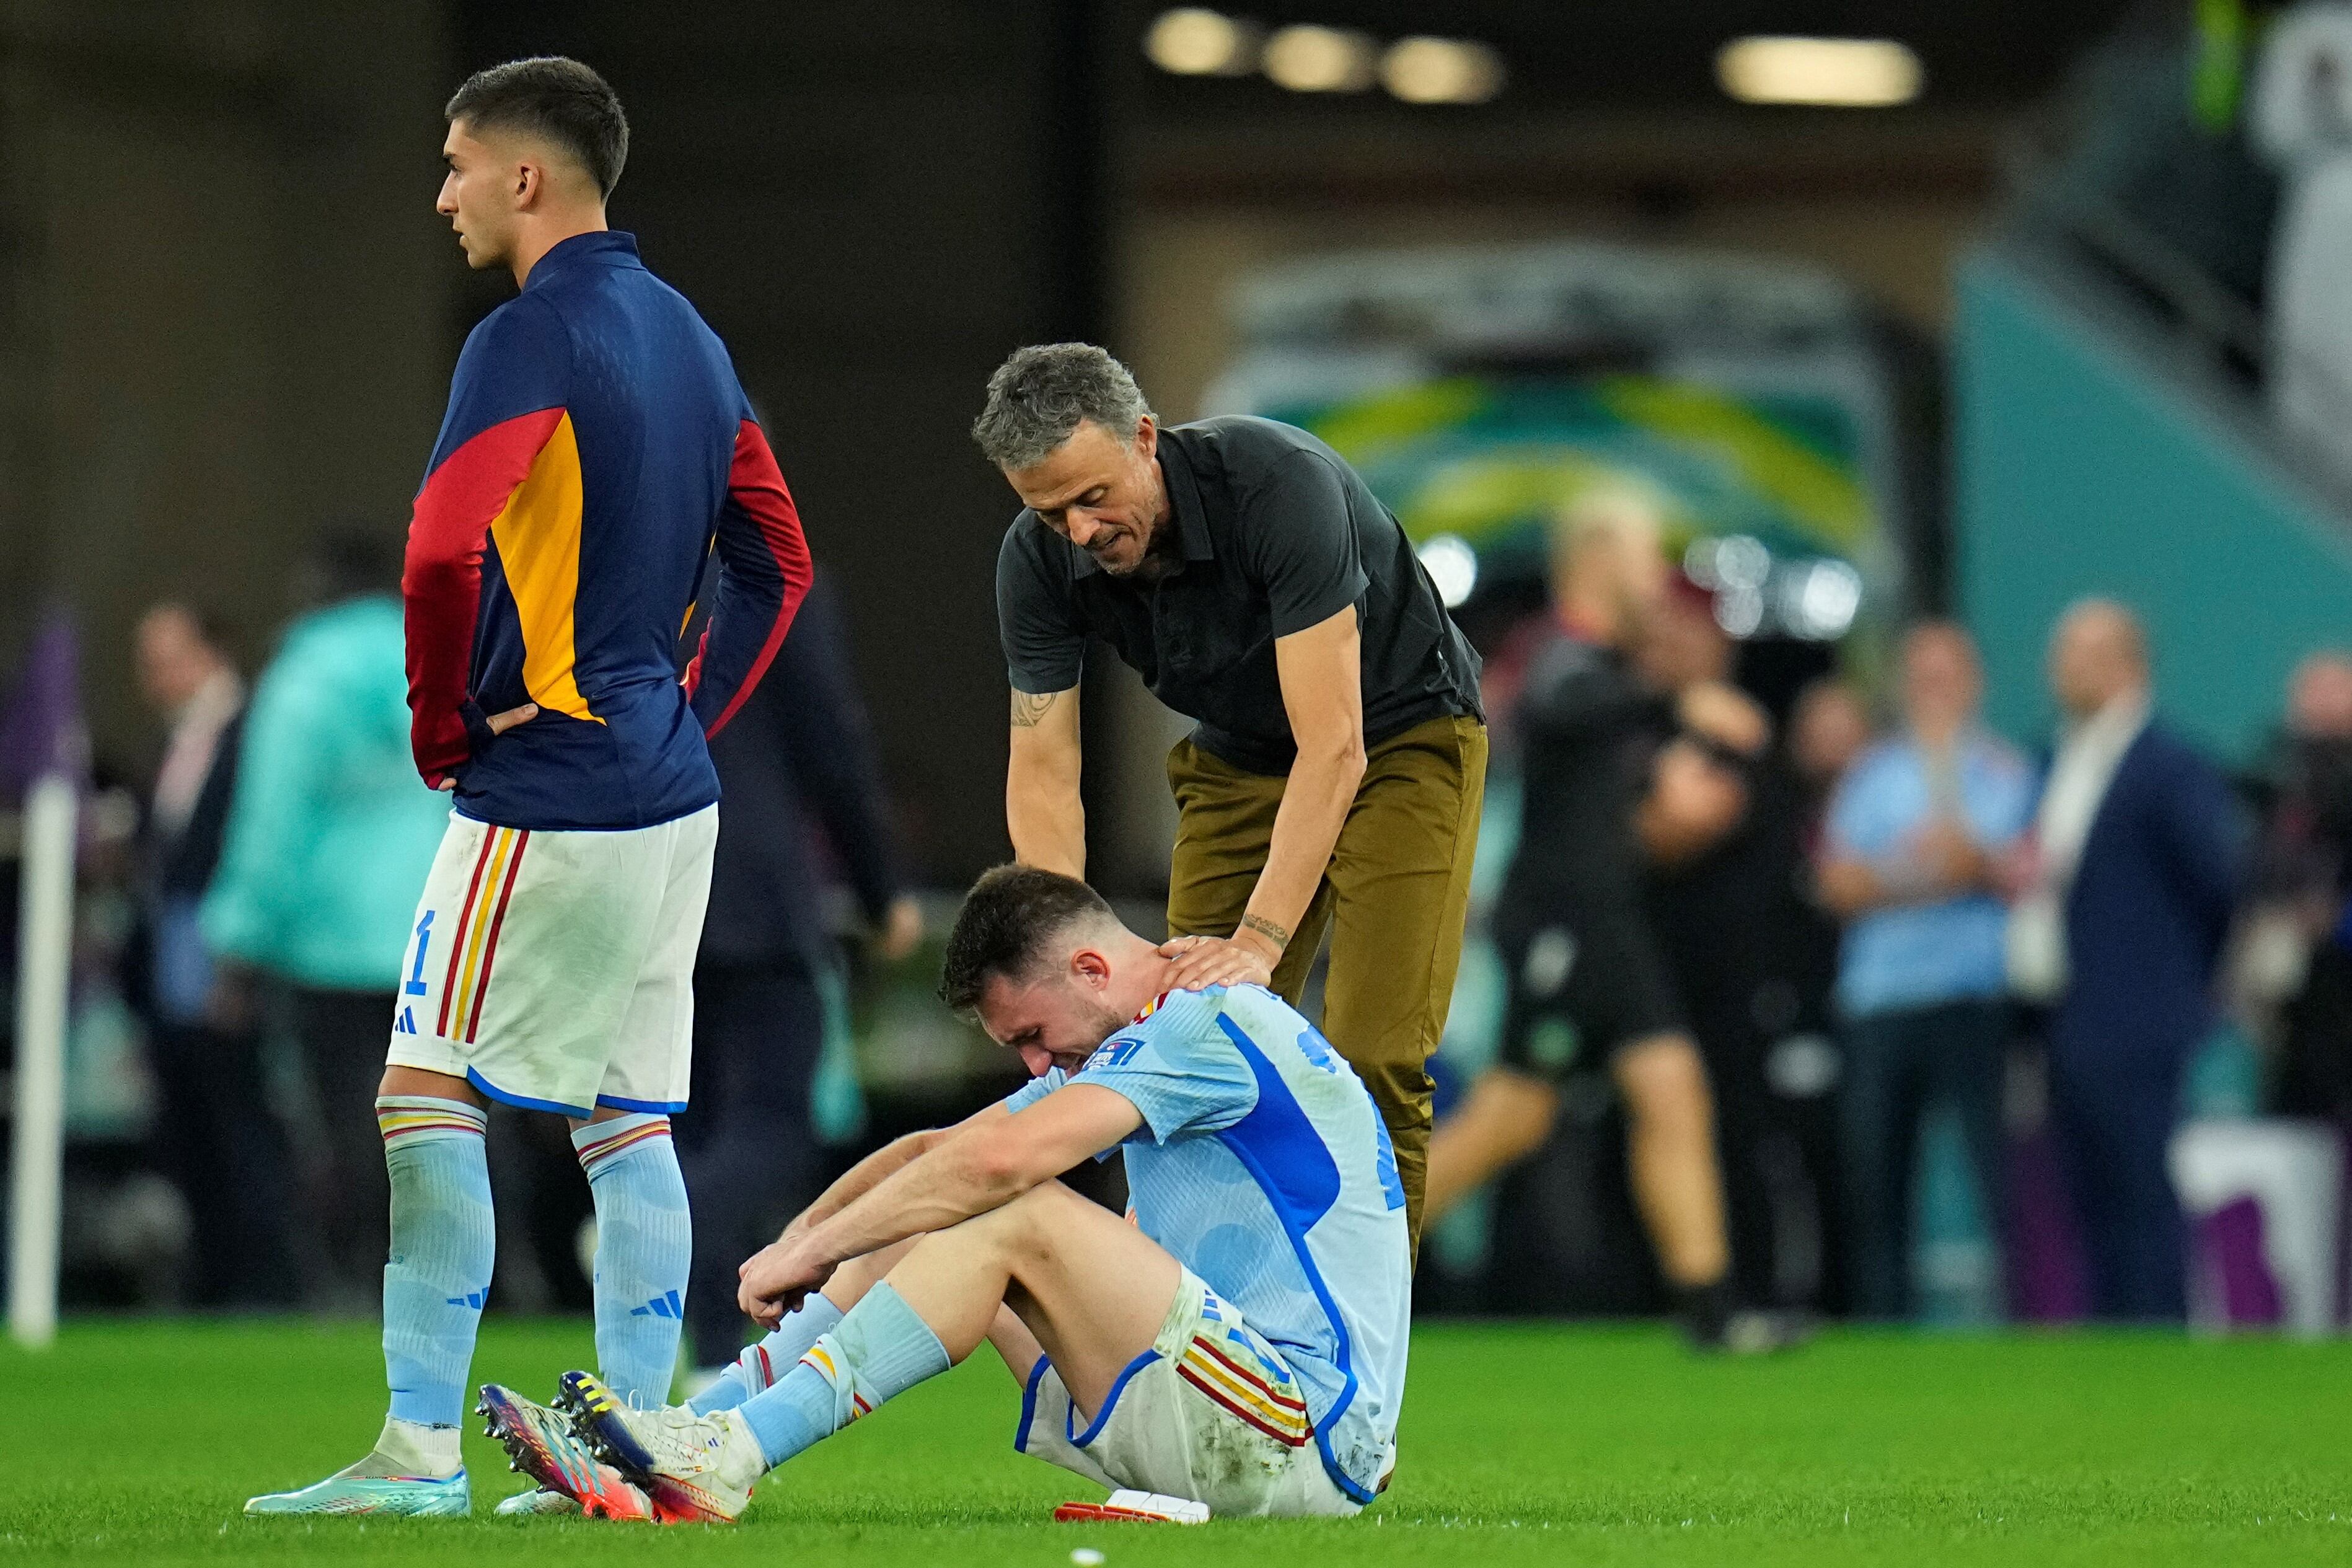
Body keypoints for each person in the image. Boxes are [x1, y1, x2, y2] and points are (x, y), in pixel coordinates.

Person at [246, 56, 811, 1518]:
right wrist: (690, 703)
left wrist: (444, 727)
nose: (438, 194)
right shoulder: (690, 335)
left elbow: (439, 547)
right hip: (673, 797)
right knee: (628, 1121)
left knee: (423, 1088)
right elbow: (777, 560)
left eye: (453, 165)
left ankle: (419, 1451)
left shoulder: (529, 334)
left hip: (548, 786)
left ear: (525, 178)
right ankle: (638, 1447)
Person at [478, 865, 1407, 1525]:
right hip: (1234, 1407)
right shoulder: (1138, 1034)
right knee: (948, 1196)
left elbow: (994, 1166)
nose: (1038, 1063)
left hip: (1305, 1434)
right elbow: (938, 1150)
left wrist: (809, 1250)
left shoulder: (1208, 1021)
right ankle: (687, 1439)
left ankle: (728, 1457)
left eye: (1036, 1035)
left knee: (1009, 1204)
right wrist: (815, 1232)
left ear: (1089, 970)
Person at [974, 343, 1486, 1249]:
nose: (1080, 532)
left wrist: (1257, 943)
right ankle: (1198, 1345)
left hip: (1401, 733)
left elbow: (1334, 746)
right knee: (1180, 1044)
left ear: (1143, 437)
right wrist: (1058, 955)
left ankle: (1365, 1353)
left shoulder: (1274, 484)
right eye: (1051, 513)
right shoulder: (1036, 561)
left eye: (1093, 498)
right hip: (1240, 757)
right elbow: (1046, 772)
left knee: (1372, 1050)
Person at [1422, 495, 1785, 1349]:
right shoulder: (1563, 655)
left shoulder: (1606, 669)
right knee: (1510, 1119)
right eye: (1641, 554)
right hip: (1560, 926)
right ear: (1595, 560)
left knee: (1671, 1090)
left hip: (1604, 923)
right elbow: (1559, 702)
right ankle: (1342, 1269)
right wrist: (1676, 707)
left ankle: (1710, 1310)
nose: (1654, 575)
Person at [680, 569, 921, 1381]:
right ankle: (670, 1224)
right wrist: (880, 887)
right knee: (775, 1120)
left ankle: (711, 1352)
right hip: (752, 884)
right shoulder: (770, 578)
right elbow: (829, 737)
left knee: (684, 1120)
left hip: (641, 883)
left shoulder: (608, 564)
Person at [200, 531, 452, 1308]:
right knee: (451, 1118)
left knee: (352, 1124)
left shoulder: (303, 677)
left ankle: (366, 1280)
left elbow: (271, 820)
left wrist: (240, 943)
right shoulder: (445, 656)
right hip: (445, 929)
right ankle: (473, 1278)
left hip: (331, 945)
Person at [2007, 599, 2243, 1321]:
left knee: (2141, 1190)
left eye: (2076, 652)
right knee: (2086, 1195)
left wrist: (2176, 985)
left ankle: (2162, 1339)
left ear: (2124, 663)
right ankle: (2115, 1343)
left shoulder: (2169, 764)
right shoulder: (2053, 757)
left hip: (2137, 1014)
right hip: (2064, 1011)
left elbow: (2221, 882)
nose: (2058, 668)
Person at [1817, 623, 2033, 1320]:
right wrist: (1935, 870)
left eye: (1948, 675)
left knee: (1995, 1178)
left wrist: (1914, 865)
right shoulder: (1871, 774)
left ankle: (2021, 1324)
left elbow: (1986, 864)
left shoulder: (2002, 769)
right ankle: (1885, 1332)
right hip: (1880, 1002)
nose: (1933, 691)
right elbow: (1840, 887)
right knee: (1877, 1184)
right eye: (1921, 676)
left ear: (1975, 683)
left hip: (1971, 997)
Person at [123, 602, 297, 1308]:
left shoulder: (255, 727)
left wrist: (240, 953)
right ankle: (218, 1272)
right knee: (193, 1113)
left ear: (208, 652)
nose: (153, 678)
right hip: (173, 949)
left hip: (225, 948)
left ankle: (266, 1277)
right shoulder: (180, 740)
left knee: (241, 1114)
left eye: (166, 658)